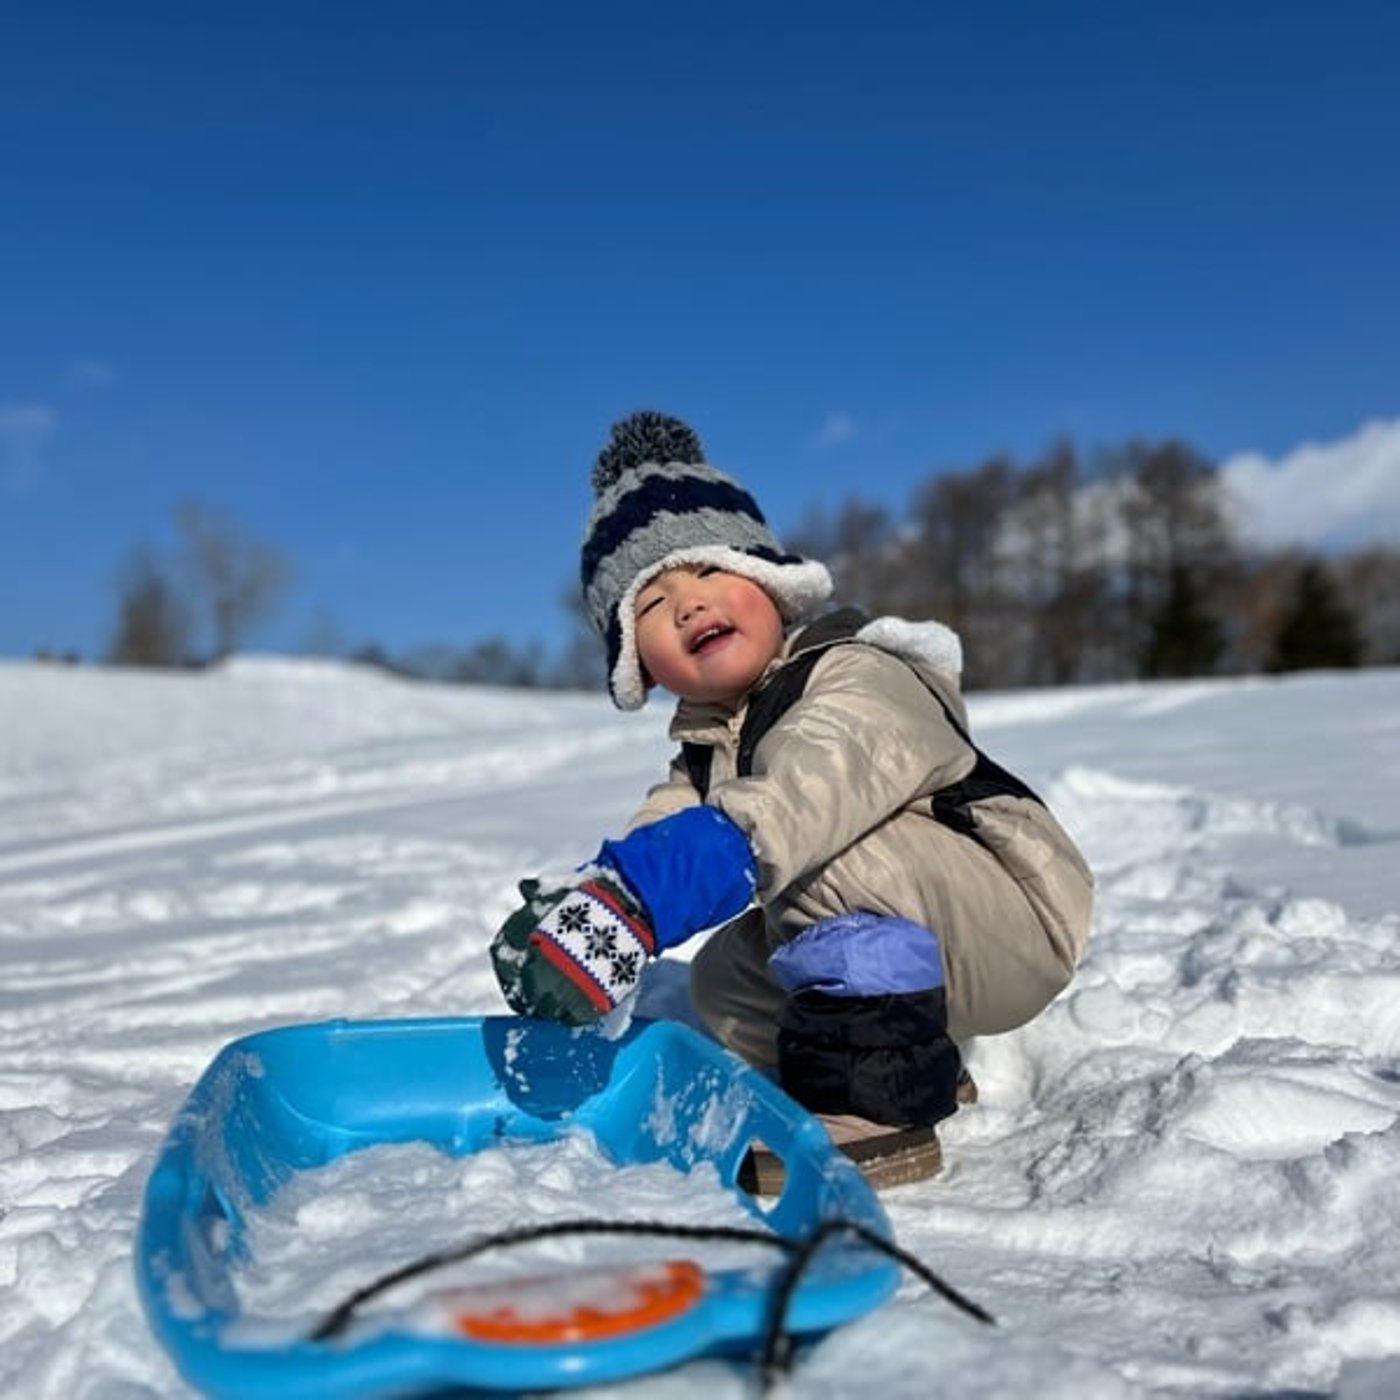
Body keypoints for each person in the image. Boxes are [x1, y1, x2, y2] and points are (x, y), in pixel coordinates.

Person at [491, 410, 1094, 1186]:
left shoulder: (859, 672)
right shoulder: (707, 751)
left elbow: (809, 790)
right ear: (637, 663)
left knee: (813, 849)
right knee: (724, 980)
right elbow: (664, 834)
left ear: (772, 582)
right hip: (929, 936)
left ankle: (875, 1112)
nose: (689, 604)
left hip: (1015, 923)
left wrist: (649, 893)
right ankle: (910, 1060)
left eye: (710, 571)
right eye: (651, 603)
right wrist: (591, 906)